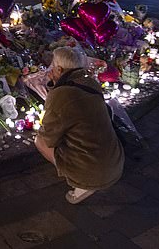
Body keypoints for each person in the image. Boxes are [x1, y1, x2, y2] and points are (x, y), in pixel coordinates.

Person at [35, 46, 124, 204]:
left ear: (60, 69)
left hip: (94, 173)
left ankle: (80, 182)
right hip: (115, 162)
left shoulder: (62, 95)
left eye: (52, 67)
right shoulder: (90, 82)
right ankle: (87, 174)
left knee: (40, 141)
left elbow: (49, 138)